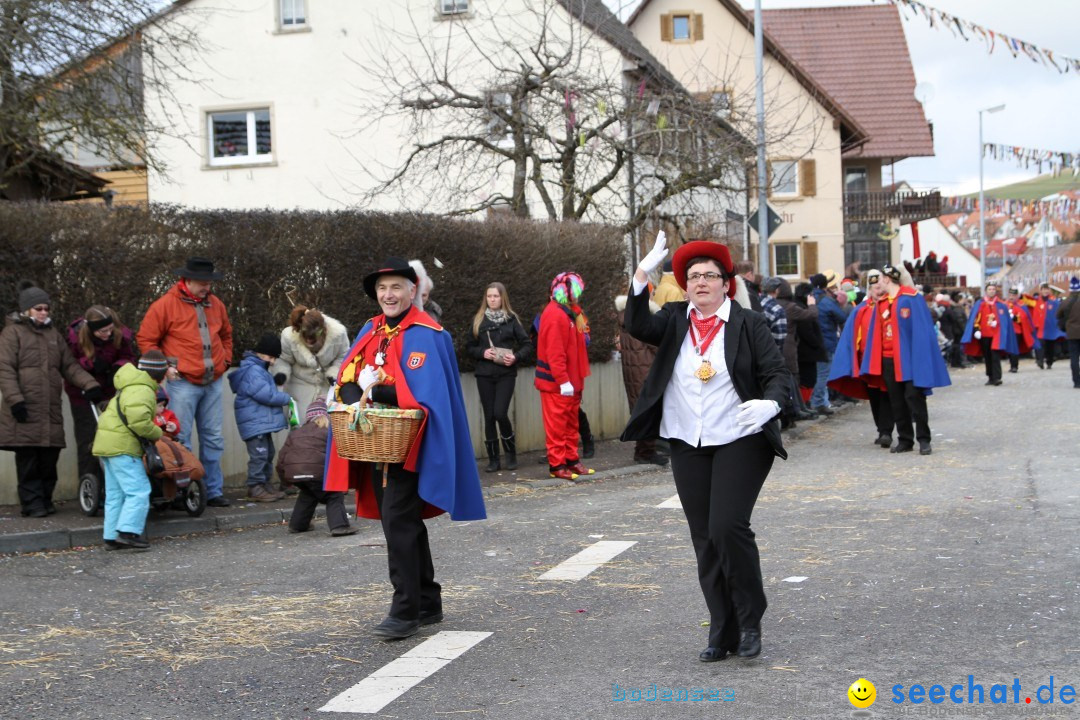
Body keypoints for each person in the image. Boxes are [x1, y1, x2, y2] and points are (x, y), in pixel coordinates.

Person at [622, 232, 790, 663]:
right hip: (687, 439)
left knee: (727, 526)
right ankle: (722, 628)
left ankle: (750, 620)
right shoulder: (676, 319)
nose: (700, 282)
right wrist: (643, 274)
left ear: (725, 283)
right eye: (692, 276)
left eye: (709, 276)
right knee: (704, 539)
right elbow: (638, 323)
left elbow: (777, 373)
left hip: (740, 437)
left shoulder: (748, 324)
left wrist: (771, 403)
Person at [326, 257, 485, 640]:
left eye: (396, 287)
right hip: (376, 442)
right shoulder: (370, 329)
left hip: (415, 445)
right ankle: (428, 600)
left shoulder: (429, 334)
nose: (388, 295)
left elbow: (426, 397)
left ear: (413, 291)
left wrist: (378, 391)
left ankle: (405, 610)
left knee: (397, 521)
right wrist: (354, 392)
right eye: (382, 289)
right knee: (401, 521)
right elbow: (348, 376)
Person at [0, 283, 103, 517]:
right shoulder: (12, 333)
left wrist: (90, 384)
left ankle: (45, 500)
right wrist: (15, 400)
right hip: (24, 408)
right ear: (27, 310)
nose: (44, 312)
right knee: (28, 460)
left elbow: (69, 366)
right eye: (39, 308)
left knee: (49, 460)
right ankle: (32, 504)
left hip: (50, 410)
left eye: (46, 308)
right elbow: (5, 369)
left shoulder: (53, 335)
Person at [137, 257, 233, 507]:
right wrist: (165, 369)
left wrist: (226, 362)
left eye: (209, 283)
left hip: (212, 381)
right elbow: (146, 340)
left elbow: (226, 335)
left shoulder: (216, 305)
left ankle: (212, 491)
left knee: (213, 438)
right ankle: (183, 493)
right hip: (182, 383)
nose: (207, 287)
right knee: (181, 438)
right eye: (202, 283)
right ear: (187, 280)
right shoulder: (164, 305)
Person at [861, 265, 950, 455]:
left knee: (914, 398)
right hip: (888, 359)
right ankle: (905, 439)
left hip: (910, 359)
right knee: (896, 401)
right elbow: (877, 334)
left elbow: (922, 330)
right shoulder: (882, 303)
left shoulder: (911, 298)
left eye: (881, 278)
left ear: (887, 279)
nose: (880, 282)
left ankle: (924, 439)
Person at [91, 352, 168, 550]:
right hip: (123, 447)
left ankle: (111, 535)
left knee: (115, 493)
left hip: (109, 445)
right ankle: (128, 532)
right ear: (158, 374)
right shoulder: (142, 390)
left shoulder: (129, 386)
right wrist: (156, 432)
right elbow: (139, 421)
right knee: (139, 490)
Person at [63, 305, 137, 493]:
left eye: (110, 330)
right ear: (91, 330)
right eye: (102, 331)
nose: (107, 334)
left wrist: (117, 368)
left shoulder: (120, 335)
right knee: (89, 439)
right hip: (84, 394)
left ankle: (115, 485)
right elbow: (70, 366)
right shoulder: (76, 340)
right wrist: (90, 371)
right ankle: (91, 485)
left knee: (116, 437)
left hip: (111, 391)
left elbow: (128, 357)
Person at [466, 282, 532, 473]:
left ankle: (510, 454)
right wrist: (482, 353)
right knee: (488, 417)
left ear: (502, 298)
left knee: (500, 413)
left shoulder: (512, 320)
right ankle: (493, 460)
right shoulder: (478, 320)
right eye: (489, 296)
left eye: (495, 296)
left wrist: (516, 357)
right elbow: (469, 347)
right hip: (484, 374)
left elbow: (527, 344)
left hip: (505, 374)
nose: (492, 299)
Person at [535, 271, 594, 480]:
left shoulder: (570, 312)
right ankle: (557, 465)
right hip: (558, 383)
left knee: (571, 424)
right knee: (557, 426)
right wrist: (563, 381)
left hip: (570, 381)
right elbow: (554, 352)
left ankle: (571, 460)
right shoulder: (555, 314)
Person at [828, 269, 896, 448]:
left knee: (887, 396)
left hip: (886, 362)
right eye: (875, 289)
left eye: (881, 289)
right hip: (866, 363)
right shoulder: (861, 310)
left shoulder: (891, 307)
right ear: (870, 290)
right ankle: (881, 429)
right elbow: (851, 337)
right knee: (874, 397)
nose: (878, 292)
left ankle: (886, 431)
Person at [277, 397, 356, 536]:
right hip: (317, 474)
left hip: (295, 474)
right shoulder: (329, 432)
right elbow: (338, 457)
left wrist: (285, 482)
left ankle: (297, 525)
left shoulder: (295, 433)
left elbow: (281, 459)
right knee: (333, 494)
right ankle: (340, 526)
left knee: (308, 493)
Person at [229, 333, 290, 502]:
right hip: (255, 424)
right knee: (259, 455)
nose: (273, 362)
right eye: (271, 357)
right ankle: (255, 486)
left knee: (268, 452)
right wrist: (287, 398)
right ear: (261, 353)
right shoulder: (253, 371)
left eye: (275, 358)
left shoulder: (259, 369)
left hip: (260, 423)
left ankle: (264, 484)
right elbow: (266, 395)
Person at [615, 287, 668, 465]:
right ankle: (646, 452)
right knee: (650, 410)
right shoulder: (645, 316)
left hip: (633, 371)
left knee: (641, 410)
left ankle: (643, 450)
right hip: (647, 369)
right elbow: (656, 344)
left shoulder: (623, 316)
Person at [272, 305, 350, 420]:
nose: (309, 341)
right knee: (301, 429)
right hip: (300, 387)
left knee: (327, 428)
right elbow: (284, 359)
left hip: (327, 387)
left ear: (324, 330)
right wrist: (281, 373)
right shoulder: (288, 336)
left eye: (313, 339)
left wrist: (334, 373)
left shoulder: (339, 334)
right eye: (306, 337)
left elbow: (343, 356)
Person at [772, 279, 818, 423]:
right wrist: (812, 305)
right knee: (793, 376)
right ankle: (796, 409)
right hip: (789, 346)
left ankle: (797, 409)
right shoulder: (790, 307)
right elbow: (810, 315)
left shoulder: (772, 304)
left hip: (776, 345)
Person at [960, 283, 1017, 387]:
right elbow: (976, 317)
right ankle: (990, 376)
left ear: (995, 291)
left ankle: (997, 377)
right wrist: (976, 329)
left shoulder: (1001, 304)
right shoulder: (980, 304)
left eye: (993, 289)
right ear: (986, 291)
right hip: (984, 334)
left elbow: (1005, 320)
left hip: (996, 334)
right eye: (989, 289)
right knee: (987, 356)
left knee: (995, 355)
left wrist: (998, 323)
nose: (991, 291)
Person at [808, 271, 847, 415]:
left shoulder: (809, 298)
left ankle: (814, 401)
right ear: (826, 286)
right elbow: (842, 317)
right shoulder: (826, 301)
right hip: (827, 343)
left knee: (813, 374)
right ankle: (818, 402)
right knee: (823, 374)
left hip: (810, 343)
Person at [1032, 283, 1066, 369]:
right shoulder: (1036, 301)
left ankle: (1049, 361)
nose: (1045, 291)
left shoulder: (1053, 301)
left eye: (1047, 289)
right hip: (1040, 327)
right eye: (1043, 289)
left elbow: (1059, 312)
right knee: (1040, 344)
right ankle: (1040, 360)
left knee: (1049, 345)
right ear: (1040, 290)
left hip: (1050, 328)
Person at [1004, 288, 1037, 374]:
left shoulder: (1021, 305)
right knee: (1009, 349)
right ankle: (1012, 364)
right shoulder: (1004, 305)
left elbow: (1024, 317)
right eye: (1010, 295)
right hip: (1007, 331)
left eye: (1013, 295)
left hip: (1017, 331)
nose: (1011, 297)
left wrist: (1015, 318)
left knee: (1015, 348)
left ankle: (1014, 366)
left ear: (1017, 296)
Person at [1058, 276, 1080, 389]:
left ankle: (1077, 382)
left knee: (1074, 358)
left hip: (1071, 333)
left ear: (1070, 289)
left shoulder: (1066, 302)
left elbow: (1058, 315)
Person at [409, 260, 443, 324]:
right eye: (417, 293)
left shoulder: (436, 311)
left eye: (424, 295)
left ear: (428, 294)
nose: (419, 297)